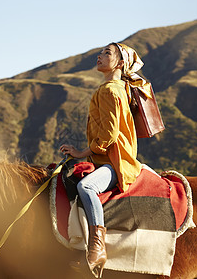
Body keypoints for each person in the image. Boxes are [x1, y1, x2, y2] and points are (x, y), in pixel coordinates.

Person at [60, 42, 146, 278]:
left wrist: (80, 153)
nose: (99, 55)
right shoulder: (118, 88)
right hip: (107, 159)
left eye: (107, 53)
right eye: (100, 52)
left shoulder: (109, 90)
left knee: (85, 186)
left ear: (120, 63)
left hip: (115, 162)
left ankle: (97, 248)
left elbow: (109, 135)